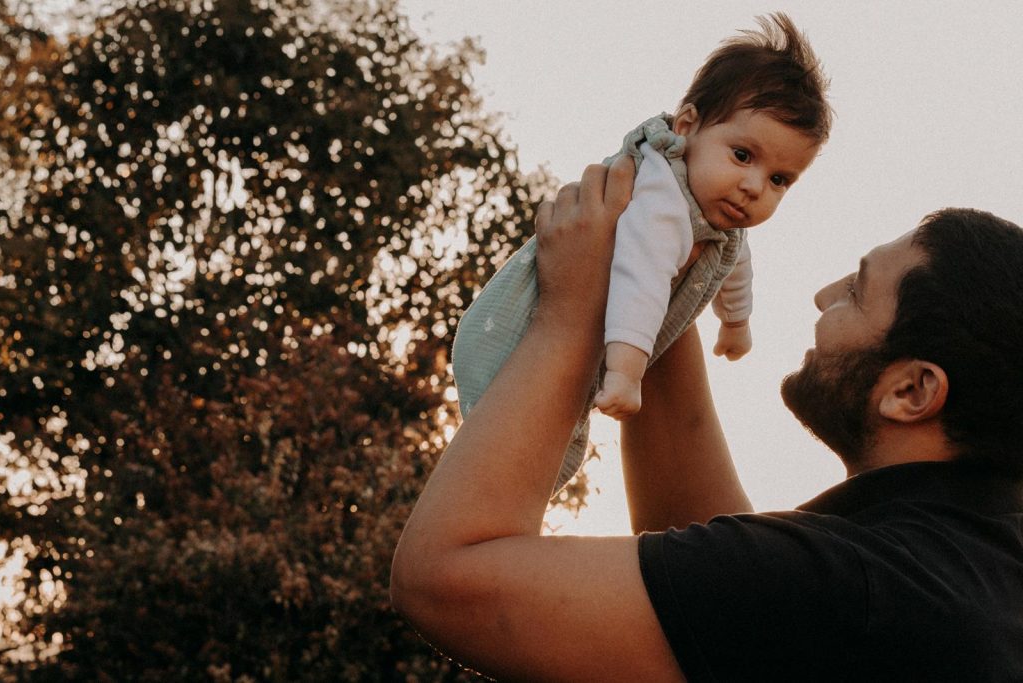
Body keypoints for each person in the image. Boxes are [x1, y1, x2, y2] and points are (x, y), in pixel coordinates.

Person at [390, 156, 1023, 679]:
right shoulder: (963, 566)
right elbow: (712, 590)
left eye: (856, 293)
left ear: (913, 391)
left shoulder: (858, 588)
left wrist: (569, 314)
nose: (824, 296)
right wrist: (655, 275)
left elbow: (445, 579)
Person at [451, 14, 830, 490]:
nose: (755, 186)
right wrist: (627, 374)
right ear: (688, 126)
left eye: (780, 179)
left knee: (543, 451)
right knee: (515, 451)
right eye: (742, 155)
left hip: (581, 337)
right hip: (522, 328)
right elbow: (642, 276)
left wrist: (735, 325)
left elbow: (735, 266)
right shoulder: (661, 196)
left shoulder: (719, 218)